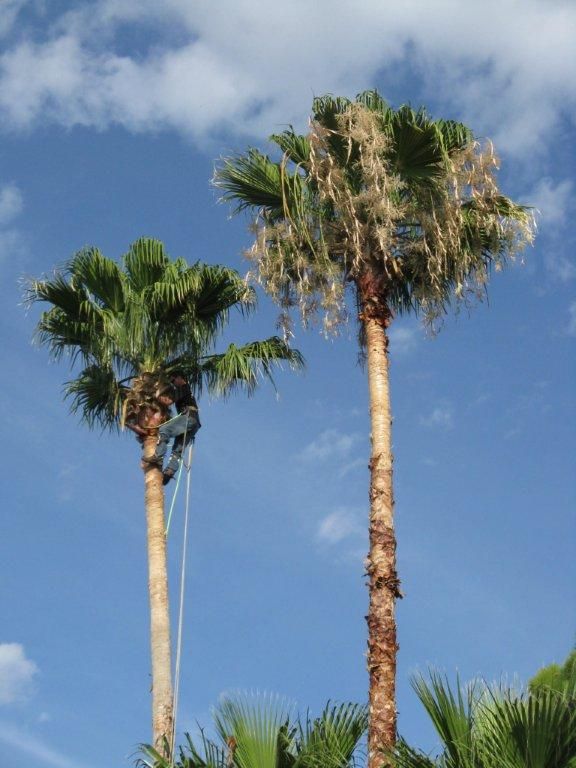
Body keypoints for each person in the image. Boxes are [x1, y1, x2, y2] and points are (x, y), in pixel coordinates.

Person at [142, 373, 201, 485]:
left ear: (180, 378)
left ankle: (158, 457)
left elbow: (168, 401)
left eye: (173, 380)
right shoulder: (185, 390)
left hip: (188, 418)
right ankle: (169, 472)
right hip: (194, 423)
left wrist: (153, 394)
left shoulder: (183, 387)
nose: (173, 383)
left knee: (164, 430)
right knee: (177, 450)